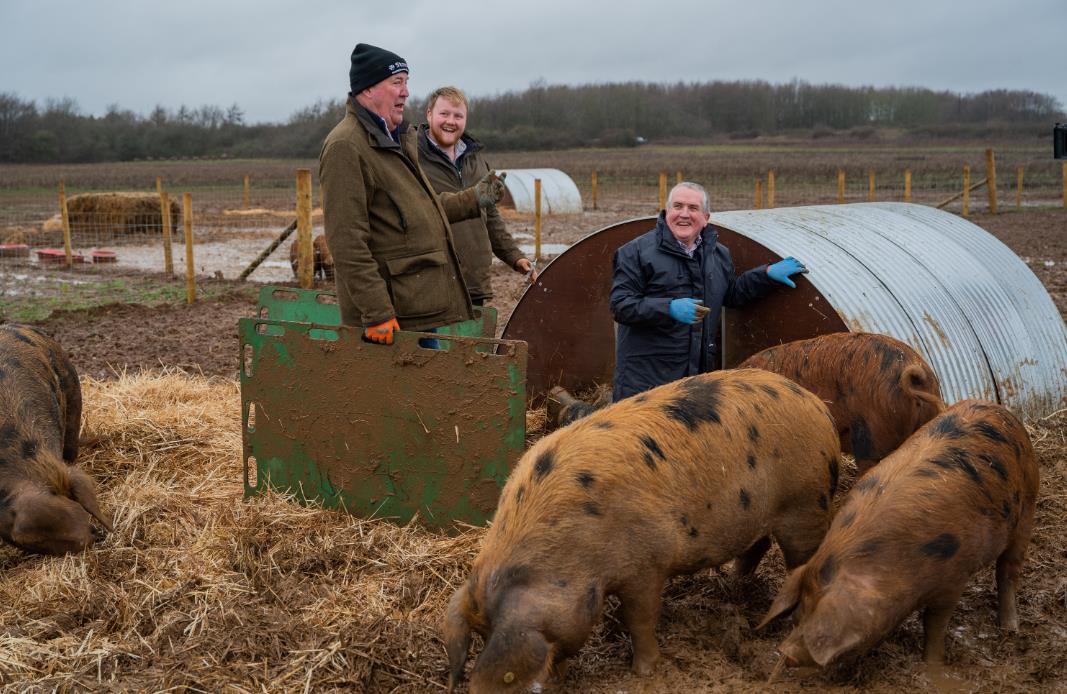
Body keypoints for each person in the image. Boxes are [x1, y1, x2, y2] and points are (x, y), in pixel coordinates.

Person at [319, 44, 506, 345]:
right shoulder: (347, 146)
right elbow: (346, 240)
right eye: (397, 82)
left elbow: (422, 207)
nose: (406, 92)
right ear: (368, 89)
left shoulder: (395, 139)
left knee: (427, 388)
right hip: (388, 321)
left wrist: (473, 198)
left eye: (406, 81)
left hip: (414, 308)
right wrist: (377, 312)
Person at [610, 181, 807, 401]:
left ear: (706, 218)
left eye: (693, 208)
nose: (684, 214)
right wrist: (668, 308)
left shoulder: (718, 254)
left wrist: (766, 275)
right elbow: (621, 305)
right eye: (678, 206)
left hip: (695, 376)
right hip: (645, 380)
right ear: (667, 212)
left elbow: (730, 295)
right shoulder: (635, 252)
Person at [417, 86, 536, 306]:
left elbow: (489, 215)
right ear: (429, 114)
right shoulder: (411, 157)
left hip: (473, 282)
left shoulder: (476, 159)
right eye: (444, 114)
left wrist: (514, 256)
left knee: (472, 341)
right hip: (430, 282)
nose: (450, 121)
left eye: (458, 116)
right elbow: (417, 211)